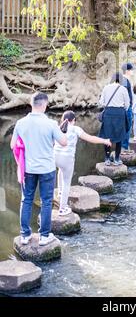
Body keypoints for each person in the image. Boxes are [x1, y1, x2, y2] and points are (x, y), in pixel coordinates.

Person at [10, 92, 67, 246]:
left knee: (26, 199)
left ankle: (25, 235)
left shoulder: (21, 123)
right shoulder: (51, 124)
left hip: (28, 168)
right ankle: (44, 236)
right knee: (46, 201)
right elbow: (63, 142)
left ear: (32, 103)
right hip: (46, 169)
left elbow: (12, 145)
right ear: (44, 105)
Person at [54, 111, 112, 216]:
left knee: (60, 171)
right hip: (67, 159)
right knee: (67, 182)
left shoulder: (57, 128)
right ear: (74, 121)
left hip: (55, 157)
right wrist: (104, 141)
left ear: (63, 119)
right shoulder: (75, 129)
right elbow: (90, 138)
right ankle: (62, 209)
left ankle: (60, 192)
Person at [99, 72, 130, 166]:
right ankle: (116, 159)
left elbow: (102, 102)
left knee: (107, 136)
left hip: (108, 113)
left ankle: (107, 159)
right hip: (120, 114)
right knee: (119, 137)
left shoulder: (106, 87)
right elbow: (127, 104)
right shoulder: (123, 89)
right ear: (121, 80)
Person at [121, 62, 134, 152]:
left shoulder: (124, 80)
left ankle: (123, 146)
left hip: (126, 107)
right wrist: (128, 106)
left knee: (125, 126)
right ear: (127, 71)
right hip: (126, 108)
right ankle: (124, 147)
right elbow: (124, 95)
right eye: (131, 70)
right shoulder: (125, 80)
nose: (132, 71)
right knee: (128, 126)